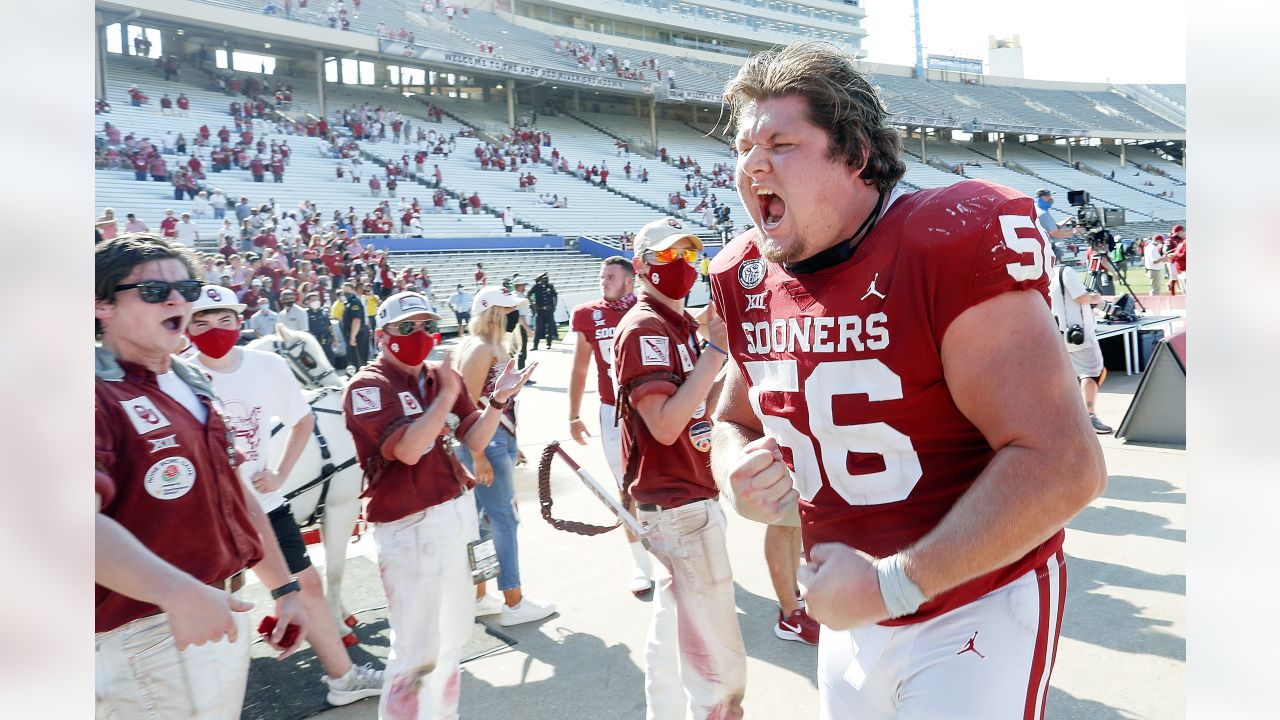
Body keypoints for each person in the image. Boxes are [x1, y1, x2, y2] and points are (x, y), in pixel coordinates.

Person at [709, 41, 1106, 719]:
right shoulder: (747, 276)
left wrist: (892, 587)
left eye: (781, 143)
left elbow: (1065, 464)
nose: (751, 164)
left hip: (974, 601)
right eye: (745, 146)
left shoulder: (944, 242)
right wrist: (736, 476)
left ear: (856, 154)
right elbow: (733, 419)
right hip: (847, 605)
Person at [95, 234, 308, 718]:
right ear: (100, 305)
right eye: (153, 291)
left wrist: (284, 588)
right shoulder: (88, 392)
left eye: (188, 288)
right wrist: (177, 593)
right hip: (145, 630)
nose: (178, 300)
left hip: (208, 612)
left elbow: (238, 495)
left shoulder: (190, 381)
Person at [184, 286, 386, 705]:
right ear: (185, 326)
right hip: (207, 512)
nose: (213, 330)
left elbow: (302, 420)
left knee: (305, 583)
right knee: (215, 602)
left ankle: (344, 678)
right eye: (200, 322)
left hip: (264, 506)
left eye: (223, 319)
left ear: (239, 321)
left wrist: (278, 474)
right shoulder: (177, 373)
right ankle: (206, 702)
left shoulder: (267, 365)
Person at [343, 291, 533, 718]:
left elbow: (475, 438)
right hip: (408, 526)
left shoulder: (436, 376)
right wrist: (446, 398)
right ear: (382, 335)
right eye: (407, 327)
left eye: (429, 325)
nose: (421, 335)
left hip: (453, 512)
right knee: (415, 651)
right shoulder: (368, 386)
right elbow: (408, 450)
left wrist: (498, 400)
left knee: (452, 639)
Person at [613, 218, 745, 719]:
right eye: (669, 257)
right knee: (718, 670)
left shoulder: (682, 325)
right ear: (643, 266)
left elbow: (701, 407)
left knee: (671, 639)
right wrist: (714, 354)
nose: (683, 267)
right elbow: (665, 425)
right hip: (677, 503)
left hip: (688, 494)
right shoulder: (646, 327)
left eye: (690, 256)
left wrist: (720, 354)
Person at [452, 287, 557, 626]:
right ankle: (513, 601)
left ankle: (479, 595)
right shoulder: (481, 349)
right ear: (493, 313)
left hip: (498, 439)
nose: (516, 315)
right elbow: (465, 406)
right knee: (504, 520)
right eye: (510, 309)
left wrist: (511, 441)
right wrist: (478, 453)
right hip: (485, 444)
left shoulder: (495, 346)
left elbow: (498, 403)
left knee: (482, 523)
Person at [567, 256, 654, 597]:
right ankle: (640, 563)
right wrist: (574, 416)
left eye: (611, 276)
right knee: (625, 487)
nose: (603, 281)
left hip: (651, 404)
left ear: (630, 280)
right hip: (613, 411)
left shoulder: (649, 307)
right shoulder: (589, 314)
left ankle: (673, 550)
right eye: (601, 276)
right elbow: (579, 370)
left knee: (664, 479)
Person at [1047, 266, 1113, 434]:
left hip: (1060, 333)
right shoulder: (1066, 271)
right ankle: (1089, 417)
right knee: (1092, 373)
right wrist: (1095, 297)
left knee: (1070, 378)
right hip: (1080, 334)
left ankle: (1070, 418)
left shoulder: (1046, 273)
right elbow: (1081, 297)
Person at [528, 273, 559, 350]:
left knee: (550, 327)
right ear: (540, 279)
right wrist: (533, 304)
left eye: (547, 278)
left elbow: (555, 295)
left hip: (549, 310)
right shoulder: (536, 287)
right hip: (540, 310)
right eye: (545, 278)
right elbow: (528, 295)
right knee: (538, 328)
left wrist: (554, 306)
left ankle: (549, 344)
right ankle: (535, 345)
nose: (547, 279)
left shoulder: (550, 286)